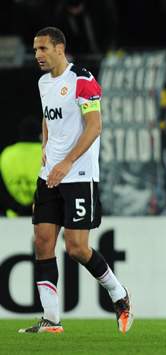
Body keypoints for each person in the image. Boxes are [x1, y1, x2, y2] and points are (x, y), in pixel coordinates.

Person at [19, 27, 133, 334]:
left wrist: (67, 162)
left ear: (59, 48)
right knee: (42, 243)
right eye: (34, 50)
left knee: (77, 248)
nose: (37, 55)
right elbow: (48, 116)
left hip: (79, 175)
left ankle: (119, 295)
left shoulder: (82, 80)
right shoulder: (44, 83)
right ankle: (51, 319)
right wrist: (45, 145)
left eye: (42, 48)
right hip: (49, 176)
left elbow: (94, 126)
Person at [0, 116, 43, 217]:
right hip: (42, 217)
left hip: (12, 216)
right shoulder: (47, 153)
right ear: (41, 134)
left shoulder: (7, 153)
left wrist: (17, 208)